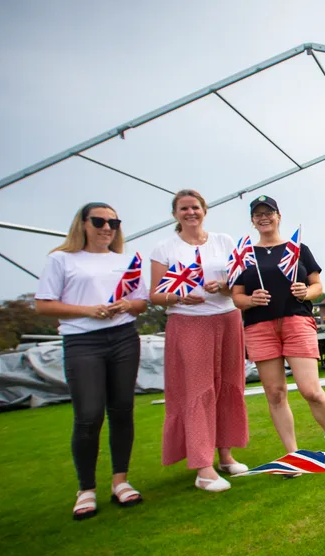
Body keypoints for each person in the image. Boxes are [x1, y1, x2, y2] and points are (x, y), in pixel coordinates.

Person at [35, 202, 148, 520]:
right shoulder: (61, 259)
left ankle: (120, 481)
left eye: (113, 222)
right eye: (99, 221)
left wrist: (128, 304)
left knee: (122, 409)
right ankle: (85, 489)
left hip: (124, 338)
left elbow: (142, 302)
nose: (107, 227)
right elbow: (43, 305)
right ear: (83, 224)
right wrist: (89, 310)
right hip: (83, 342)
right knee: (88, 415)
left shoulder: (126, 260)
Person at [149, 189, 249, 492]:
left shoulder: (224, 242)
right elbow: (154, 295)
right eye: (184, 208)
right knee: (198, 391)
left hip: (227, 318)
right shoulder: (164, 248)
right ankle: (203, 468)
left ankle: (225, 454)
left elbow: (239, 282)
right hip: (188, 323)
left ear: (204, 210)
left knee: (229, 386)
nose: (190, 212)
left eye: (195, 207)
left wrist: (223, 286)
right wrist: (178, 296)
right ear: (175, 214)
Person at [231, 195, 325, 457]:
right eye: (258, 214)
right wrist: (250, 299)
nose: (264, 217)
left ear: (278, 216)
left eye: (268, 212)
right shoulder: (244, 254)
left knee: (311, 390)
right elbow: (236, 297)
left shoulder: (298, 248)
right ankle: (293, 455)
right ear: (252, 221)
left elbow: (317, 287)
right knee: (276, 394)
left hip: (296, 322)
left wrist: (305, 292)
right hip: (259, 327)